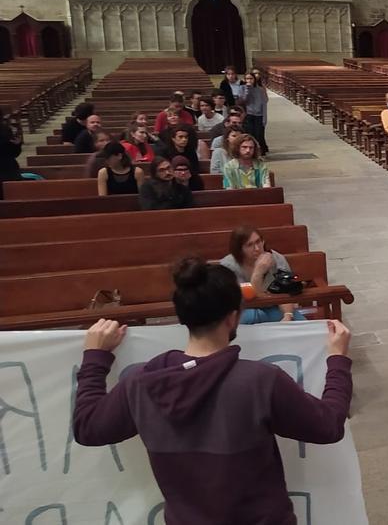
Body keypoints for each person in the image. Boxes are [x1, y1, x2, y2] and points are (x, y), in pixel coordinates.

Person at [71, 262, 353, 525]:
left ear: (183, 316)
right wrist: (337, 360)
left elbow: (88, 428)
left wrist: (95, 357)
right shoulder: (259, 381)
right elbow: (327, 426)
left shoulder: (140, 385)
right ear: (233, 317)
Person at [219, 226, 307, 323]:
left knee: (301, 324)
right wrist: (258, 272)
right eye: (250, 245)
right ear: (240, 249)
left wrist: (288, 315)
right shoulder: (229, 266)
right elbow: (248, 299)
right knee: (254, 316)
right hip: (245, 310)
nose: (257, 248)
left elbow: (285, 292)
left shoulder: (277, 259)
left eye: (258, 242)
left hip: (273, 306)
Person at [237, 72, 270, 154]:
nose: (249, 80)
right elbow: (244, 100)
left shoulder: (260, 89)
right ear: (244, 80)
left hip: (259, 115)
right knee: (250, 134)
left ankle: (259, 152)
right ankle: (252, 152)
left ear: (254, 80)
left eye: (251, 78)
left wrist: (264, 117)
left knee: (259, 135)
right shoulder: (242, 88)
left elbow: (264, 104)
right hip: (248, 114)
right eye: (247, 79)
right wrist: (248, 90)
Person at [0, 107, 24, 199]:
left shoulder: (4, 129)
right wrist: (17, 145)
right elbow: (14, 153)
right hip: (7, 170)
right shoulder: (4, 129)